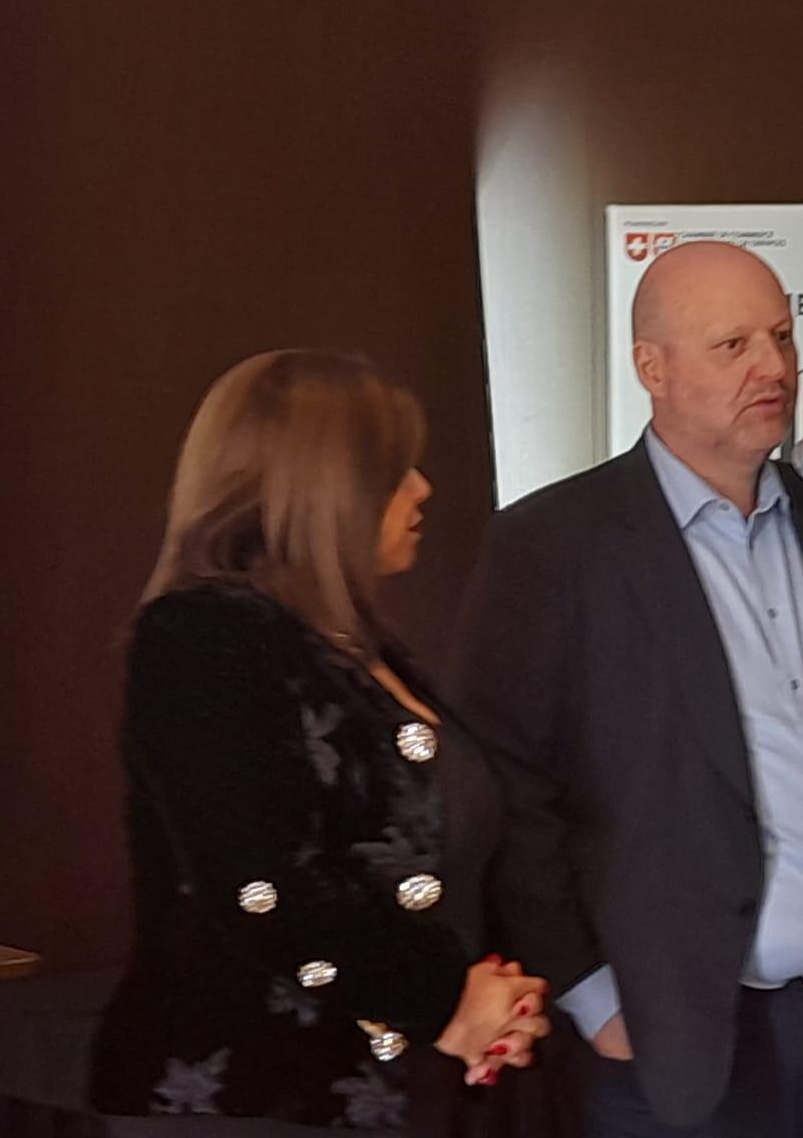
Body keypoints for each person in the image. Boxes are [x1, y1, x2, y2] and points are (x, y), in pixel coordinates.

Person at [451, 242, 803, 1137]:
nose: (773, 368)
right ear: (653, 368)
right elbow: (507, 790)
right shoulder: (555, 545)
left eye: (782, 337)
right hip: (684, 1044)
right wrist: (594, 999)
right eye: (733, 345)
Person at [89, 349, 550, 1133]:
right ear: (323, 486)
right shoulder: (200, 637)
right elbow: (261, 886)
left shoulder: (353, 644)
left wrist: (494, 1000)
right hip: (251, 1096)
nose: (422, 488)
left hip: (393, 1091)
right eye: (394, 471)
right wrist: (447, 1000)